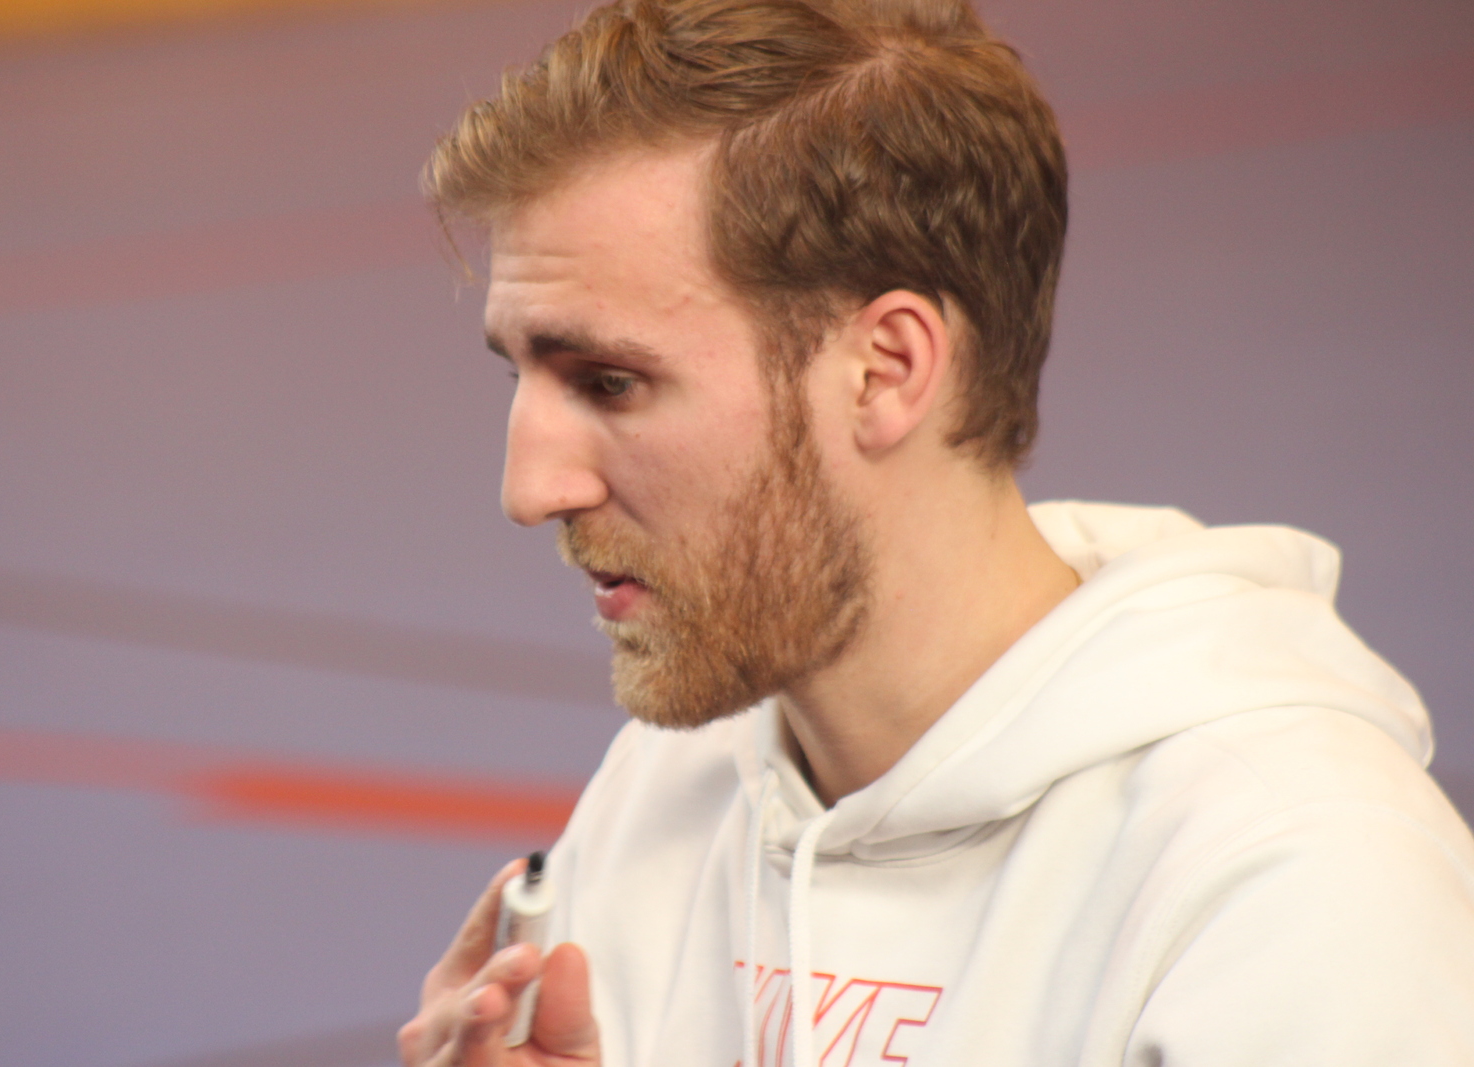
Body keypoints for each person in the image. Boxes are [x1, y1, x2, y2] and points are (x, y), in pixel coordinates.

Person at [398, 0, 1474, 1063]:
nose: (530, 488)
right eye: (520, 373)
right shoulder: (665, 792)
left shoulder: (1297, 883)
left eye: (610, 381)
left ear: (885, 370)